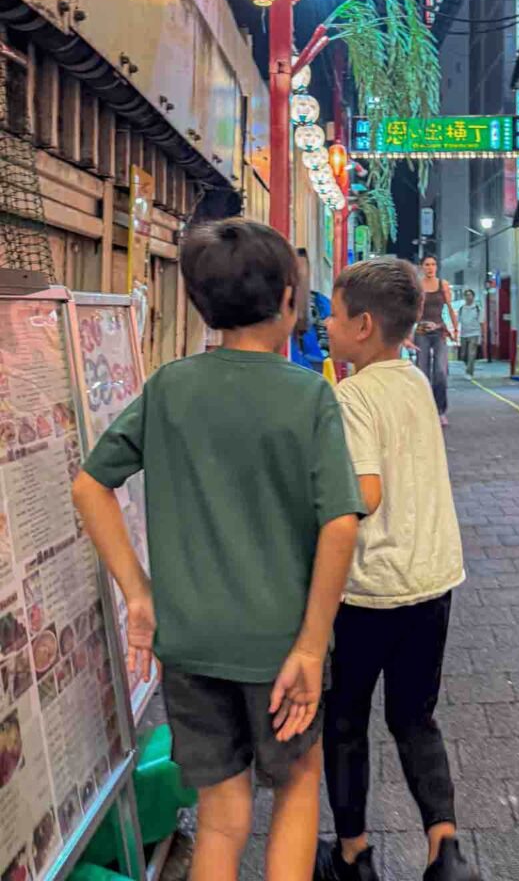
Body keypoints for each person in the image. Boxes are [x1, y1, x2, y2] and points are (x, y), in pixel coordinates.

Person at [72, 219, 366, 881]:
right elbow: (340, 524)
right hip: (280, 645)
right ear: (290, 299)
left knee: (221, 814)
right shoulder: (308, 394)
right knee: (294, 790)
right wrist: (313, 646)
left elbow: (90, 485)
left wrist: (140, 593)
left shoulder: (171, 386)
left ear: (203, 304)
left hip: (190, 639)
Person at [319, 258, 479, 881]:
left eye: (333, 315)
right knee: (414, 716)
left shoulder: (353, 395)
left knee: (347, 718)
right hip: (433, 579)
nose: (325, 325)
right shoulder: (412, 379)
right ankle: (445, 848)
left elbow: (366, 491)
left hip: (370, 591)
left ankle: (354, 854)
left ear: (362, 325)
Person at [415, 256, 459, 426]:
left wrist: (455, 329)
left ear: (437, 267)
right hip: (422, 331)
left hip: (440, 331)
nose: (430, 268)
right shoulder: (418, 286)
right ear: (422, 267)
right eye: (427, 265)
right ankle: (424, 410)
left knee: (440, 371)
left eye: (433, 264)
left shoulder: (443, 285)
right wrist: (407, 334)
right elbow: (415, 310)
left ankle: (440, 411)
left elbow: (450, 308)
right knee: (422, 371)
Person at [458, 289, 483, 377]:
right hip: (464, 334)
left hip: (474, 333)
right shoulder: (461, 309)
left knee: (472, 353)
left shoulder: (477, 308)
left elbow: (481, 322)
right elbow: (459, 321)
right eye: (466, 295)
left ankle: (469, 372)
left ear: (473, 297)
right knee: (463, 354)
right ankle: (468, 365)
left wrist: (481, 335)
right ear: (464, 297)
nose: (468, 297)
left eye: (470, 295)